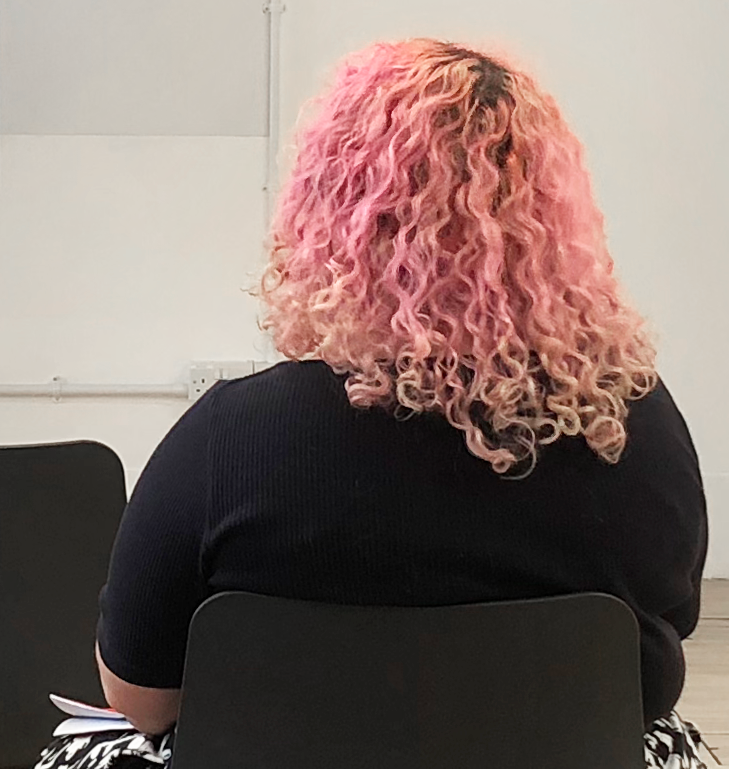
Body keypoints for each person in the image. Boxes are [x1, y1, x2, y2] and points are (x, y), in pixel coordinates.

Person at [43, 40, 708, 769]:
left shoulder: (230, 439)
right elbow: (655, 659)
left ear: (332, 212)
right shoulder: (633, 425)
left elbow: (138, 697)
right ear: (551, 217)